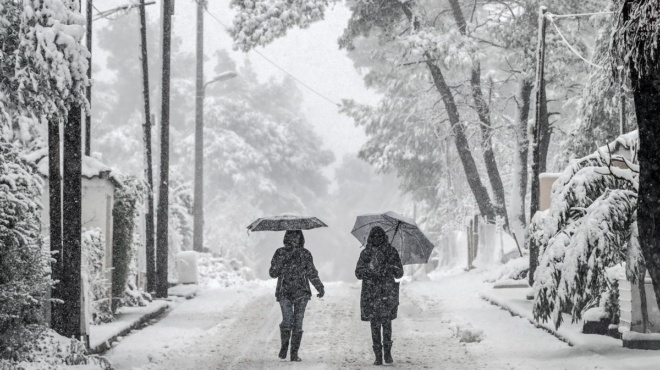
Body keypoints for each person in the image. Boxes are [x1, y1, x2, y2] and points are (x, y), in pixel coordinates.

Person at [269, 230, 324, 362]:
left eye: (297, 236)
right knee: (288, 320)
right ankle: (284, 345)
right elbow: (272, 273)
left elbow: (312, 272)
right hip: (284, 292)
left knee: (298, 323)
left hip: (302, 293)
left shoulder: (305, 254)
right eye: (291, 236)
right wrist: (282, 261)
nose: (294, 239)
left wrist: (319, 286)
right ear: (287, 238)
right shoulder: (280, 253)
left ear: (301, 238)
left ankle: (294, 353)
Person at [355, 226, 404, 365]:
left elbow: (399, 272)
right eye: (374, 237)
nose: (376, 239)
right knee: (375, 325)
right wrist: (369, 270)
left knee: (387, 323)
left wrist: (388, 267)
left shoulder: (391, 252)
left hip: (387, 293)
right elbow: (358, 273)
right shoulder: (366, 254)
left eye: (379, 237)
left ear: (383, 237)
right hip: (371, 294)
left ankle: (387, 354)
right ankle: (378, 356)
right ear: (371, 238)